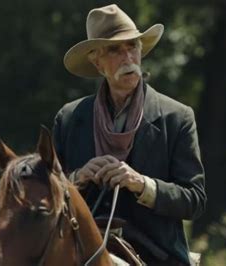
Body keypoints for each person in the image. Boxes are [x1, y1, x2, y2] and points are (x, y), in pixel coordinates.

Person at [52, 4, 206, 265]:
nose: (128, 57)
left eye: (133, 46)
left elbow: (194, 199)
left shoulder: (176, 117)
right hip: (81, 252)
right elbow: (46, 194)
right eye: (114, 49)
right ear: (96, 61)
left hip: (157, 255)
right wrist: (77, 178)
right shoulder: (69, 119)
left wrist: (142, 184)